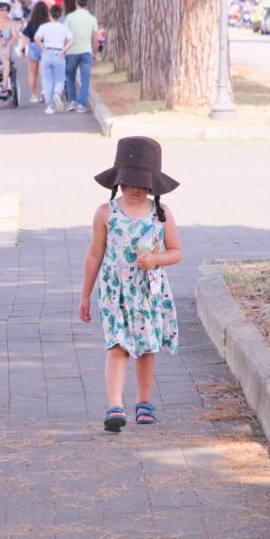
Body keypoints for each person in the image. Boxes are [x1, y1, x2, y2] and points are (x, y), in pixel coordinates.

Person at [79, 136, 181, 432]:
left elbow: (177, 252)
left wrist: (156, 260)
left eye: (143, 184)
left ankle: (144, 402)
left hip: (148, 292)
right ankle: (115, 406)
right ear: (118, 182)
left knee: (146, 348)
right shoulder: (105, 213)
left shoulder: (161, 214)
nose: (136, 190)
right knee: (117, 345)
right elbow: (94, 254)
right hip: (114, 291)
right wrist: (85, 295)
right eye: (129, 183)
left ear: (154, 186)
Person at [63, 0, 101, 113]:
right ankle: (81, 105)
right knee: (85, 79)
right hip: (86, 51)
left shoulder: (69, 18)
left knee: (70, 77)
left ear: (76, 3)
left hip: (71, 51)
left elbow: (65, 35)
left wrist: (63, 50)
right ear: (87, 4)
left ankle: (72, 101)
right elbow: (95, 39)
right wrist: (95, 53)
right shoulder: (92, 19)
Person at [34, 4, 72, 114]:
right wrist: (63, 50)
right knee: (60, 79)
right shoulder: (63, 27)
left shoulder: (44, 27)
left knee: (48, 80)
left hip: (47, 53)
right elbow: (72, 40)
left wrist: (43, 49)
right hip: (59, 52)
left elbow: (36, 38)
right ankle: (57, 93)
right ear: (60, 15)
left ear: (49, 14)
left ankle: (49, 106)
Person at [20, 1, 50, 102]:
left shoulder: (31, 23)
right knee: (43, 73)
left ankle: (33, 96)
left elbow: (25, 37)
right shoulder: (48, 23)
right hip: (44, 47)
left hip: (33, 47)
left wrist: (22, 49)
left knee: (32, 74)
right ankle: (44, 92)